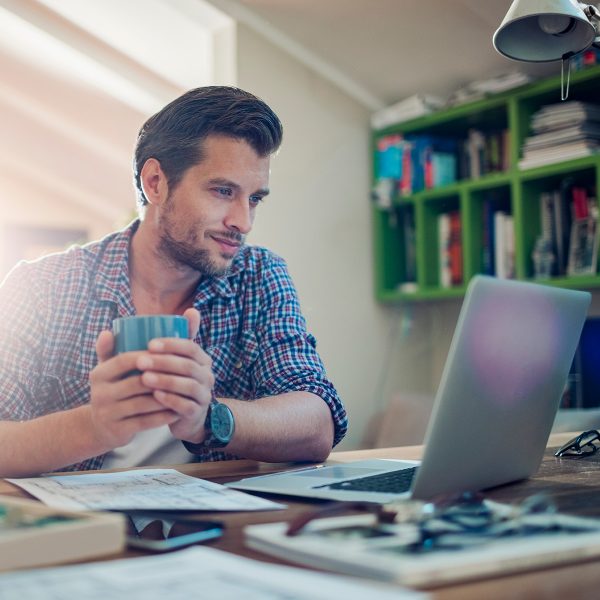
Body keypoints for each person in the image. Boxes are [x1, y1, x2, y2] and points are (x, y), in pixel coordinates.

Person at [0, 86, 347, 477]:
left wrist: (209, 420)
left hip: (211, 527)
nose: (243, 222)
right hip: (82, 530)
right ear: (155, 183)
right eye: (223, 191)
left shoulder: (259, 275)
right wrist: (95, 427)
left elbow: (318, 423)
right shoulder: (39, 286)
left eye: (254, 199)